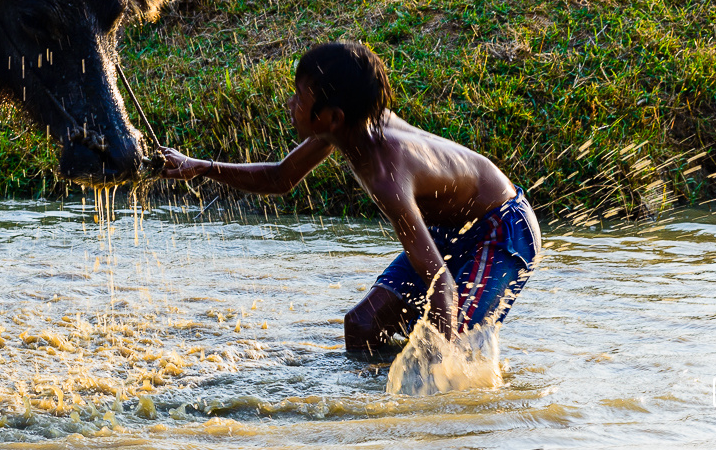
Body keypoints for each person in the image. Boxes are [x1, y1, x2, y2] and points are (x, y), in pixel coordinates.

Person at [158, 41, 541, 358]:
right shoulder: (348, 128)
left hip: (502, 229)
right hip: (451, 227)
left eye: (299, 98)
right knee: (363, 325)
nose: (290, 105)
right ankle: (379, 405)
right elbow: (280, 177)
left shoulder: (386, 174)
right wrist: (199, 166)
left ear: (332, 117)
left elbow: (441, 285)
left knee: (446, 347)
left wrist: (438, 364)